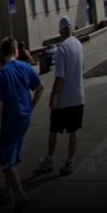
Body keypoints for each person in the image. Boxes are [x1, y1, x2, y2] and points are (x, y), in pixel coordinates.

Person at [0, 37, 44, 210]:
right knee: (14, 151)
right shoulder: (24, 66)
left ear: (3, 53)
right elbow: (40, 87)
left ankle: (20, 194)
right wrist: (31, 106)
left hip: (11, 118)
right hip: (25, 117)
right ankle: (8, 191)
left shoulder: (1, 74)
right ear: (15, 51)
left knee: (5, 158)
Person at [36, 16, 85, 177]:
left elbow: (60, 77)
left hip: (64, 99)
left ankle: (49, 160)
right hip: (78, 96)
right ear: (71, 29)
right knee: (73, 130)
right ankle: (70, 161)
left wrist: (53, 96)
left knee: (54, 130)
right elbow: (82, 68)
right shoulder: (78, 45)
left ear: (60, 32)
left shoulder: (62, 49)